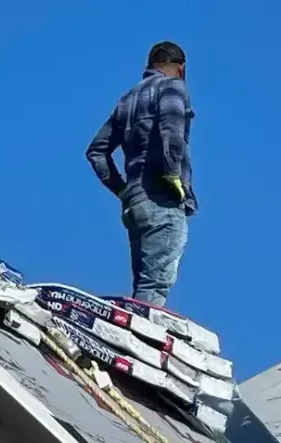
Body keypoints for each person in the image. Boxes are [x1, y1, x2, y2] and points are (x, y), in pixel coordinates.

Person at [86, 41, 198, 307]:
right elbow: (171, 129)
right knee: (155, 284)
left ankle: (134, 324)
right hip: (161, 198)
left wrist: (123, 190)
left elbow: (96, 152)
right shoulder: (173, 86)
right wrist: (173, 174)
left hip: (134, 203)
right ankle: (140, 336)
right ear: (181, 68)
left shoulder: (127, 99)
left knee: (144, 282)